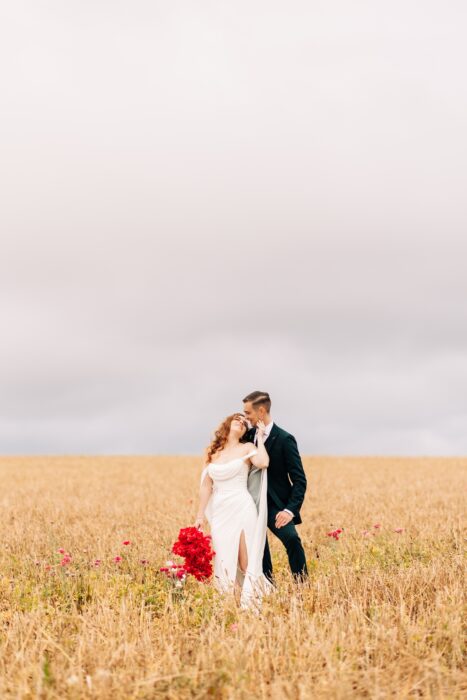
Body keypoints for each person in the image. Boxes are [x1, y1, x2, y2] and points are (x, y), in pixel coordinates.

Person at [195, 413, 274, 611]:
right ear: (228, 424)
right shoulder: (213, 453)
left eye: (244, 422)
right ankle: (226, 605)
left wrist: (261, 439)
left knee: (245, 560)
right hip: (221, 511)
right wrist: (199, 516)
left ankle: (254, 603)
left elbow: (263, 463)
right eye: (237, 419)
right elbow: (206, 487)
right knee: (223, 557)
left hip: (242, 506)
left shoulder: (247, 448)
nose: (241, 422)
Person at [242, 391, 308, 583]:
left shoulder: (285, 439)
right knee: (259, 549)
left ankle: (303, 586)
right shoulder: (246, 436)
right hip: (249, 502)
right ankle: (267, 589)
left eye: (248, 413)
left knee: (292, 540)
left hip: (276, 506)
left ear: (261, 411)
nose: (246, 417)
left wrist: (289, 510)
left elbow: (299, 480)